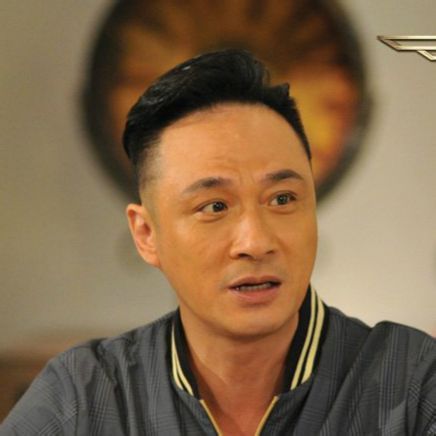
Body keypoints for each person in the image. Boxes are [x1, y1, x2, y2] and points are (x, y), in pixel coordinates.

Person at [1, 49, 435, 436]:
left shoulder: (412, 381)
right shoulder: (86, 396)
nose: (256, 242)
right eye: (214, 206)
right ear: (146, 235)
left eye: (282, 199)